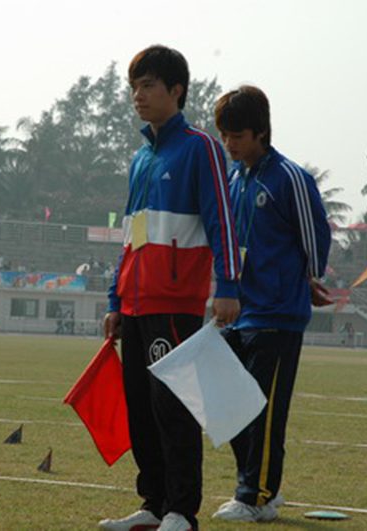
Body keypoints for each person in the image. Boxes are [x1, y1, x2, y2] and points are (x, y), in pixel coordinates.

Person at [99, 45, 240, 531]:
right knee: (140, 408)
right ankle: (153, 504)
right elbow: (131, 234)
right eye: (133, 88)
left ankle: (181, 510)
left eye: (148, 86)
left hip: (175, 303)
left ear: (176, 90)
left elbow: (222, 219)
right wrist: (115, 300)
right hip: (135, 305)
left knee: (173, 407)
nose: (137, 96)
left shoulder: (201, 148)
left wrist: (228, 284)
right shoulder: (141, 158)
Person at [211, 86, 331, 523]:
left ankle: (255, 495)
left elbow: (316, 238)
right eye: (224, 135)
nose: (229, 144)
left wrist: (308, 277)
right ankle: (260, 487)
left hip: (277, 315)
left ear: (260, 132)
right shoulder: (232, 179)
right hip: (238, 313)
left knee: (263, 412)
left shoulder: (289, 178)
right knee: (223, 401)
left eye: (237, 135)